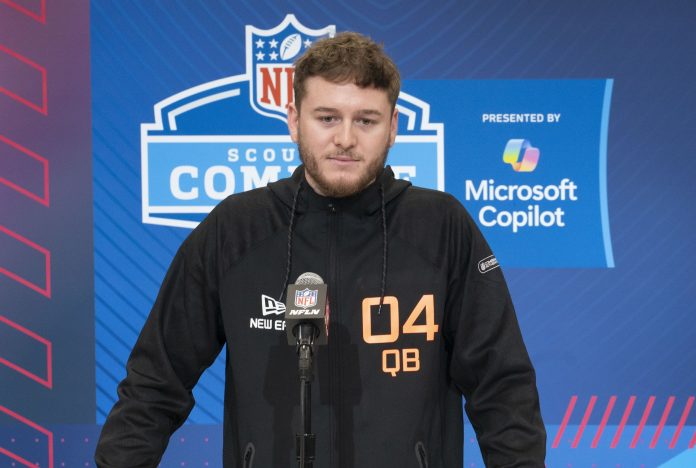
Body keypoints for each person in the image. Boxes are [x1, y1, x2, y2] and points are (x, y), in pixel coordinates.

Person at [96, 32, 545, 467]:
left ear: (393, 127)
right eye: (327, 117)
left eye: (366, 120)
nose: (346, 138)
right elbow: (156, 383)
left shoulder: (442, 229)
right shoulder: (235, 230)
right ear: (294, 120)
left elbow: (502, 388)